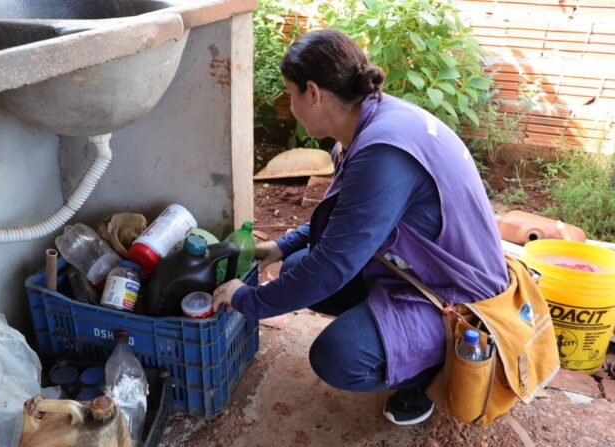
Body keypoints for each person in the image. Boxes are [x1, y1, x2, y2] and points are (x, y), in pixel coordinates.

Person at [211, 29, 508, 425]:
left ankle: (426, 376)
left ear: (313, 93)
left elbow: (334, 264)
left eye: (290, 93)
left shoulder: (382, 152)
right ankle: (388, 332)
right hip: (413, 269)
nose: (290, 104)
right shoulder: (368, 124)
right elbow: (346, 222)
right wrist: (280, 246)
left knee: (337, 356)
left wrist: (247, 300)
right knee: (298, 265)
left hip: (456, 296)